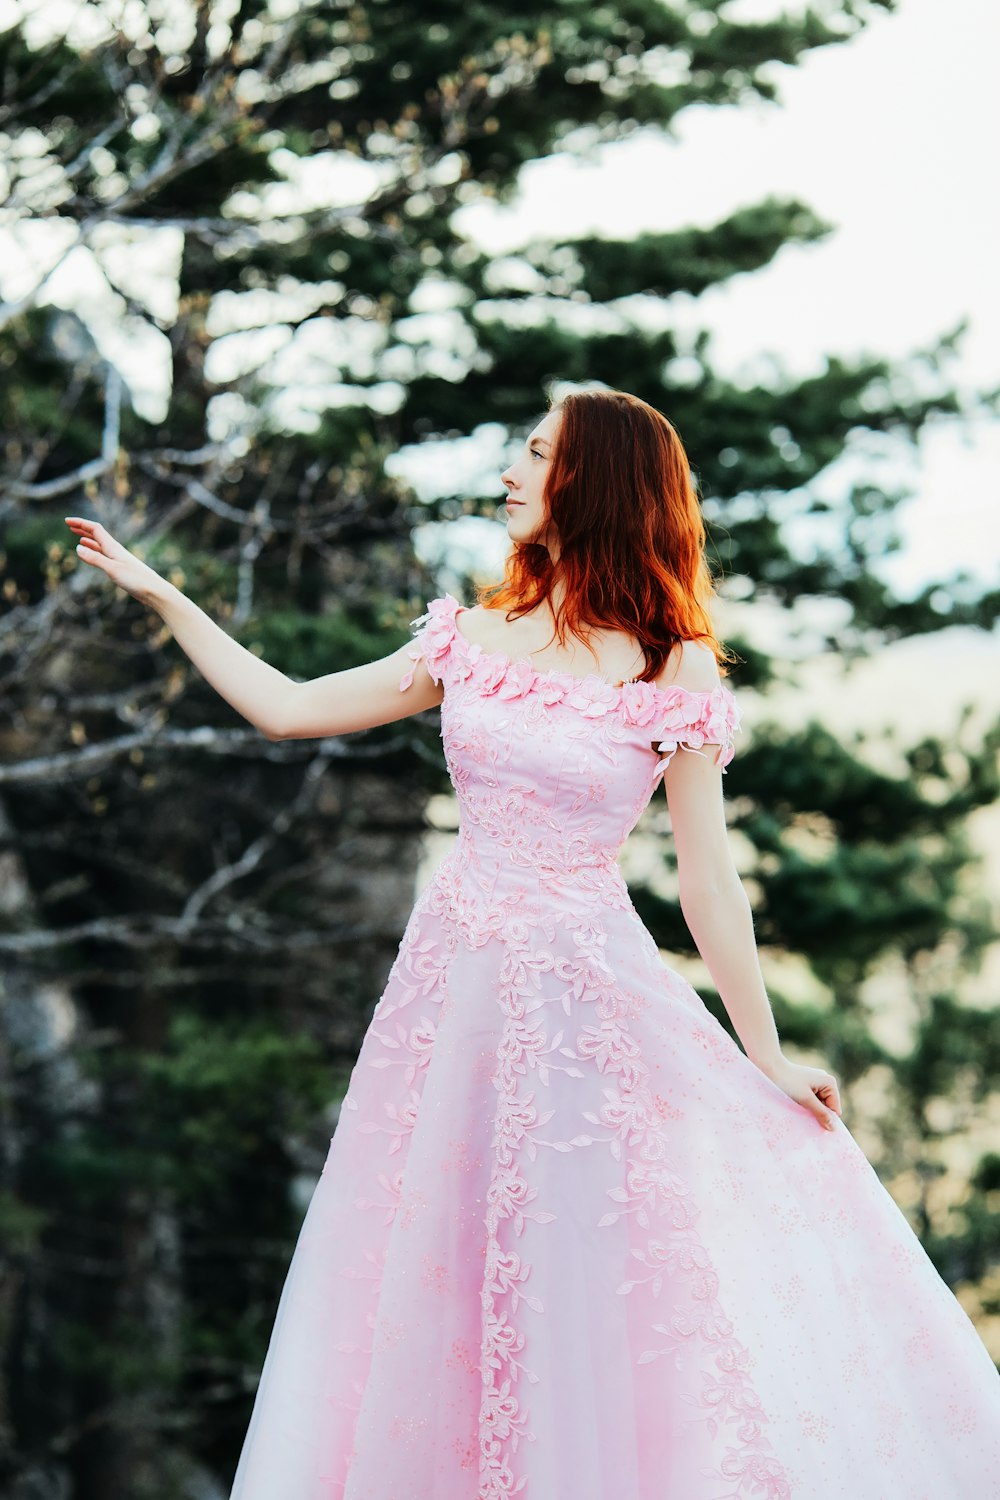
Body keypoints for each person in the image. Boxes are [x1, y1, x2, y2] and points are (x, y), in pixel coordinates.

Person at [66, 388, 1000, 1499]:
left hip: (583, 1008)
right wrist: (166, 595)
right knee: (432, 1271)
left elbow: (707, 879)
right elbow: (289, 706)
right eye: (519, 450)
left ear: (592, 481)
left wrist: (763, 1051)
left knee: (575, 1284)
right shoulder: (470, 638)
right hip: (448, 999)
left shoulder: (671, 665)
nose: (512, 471)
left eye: (537, 454)